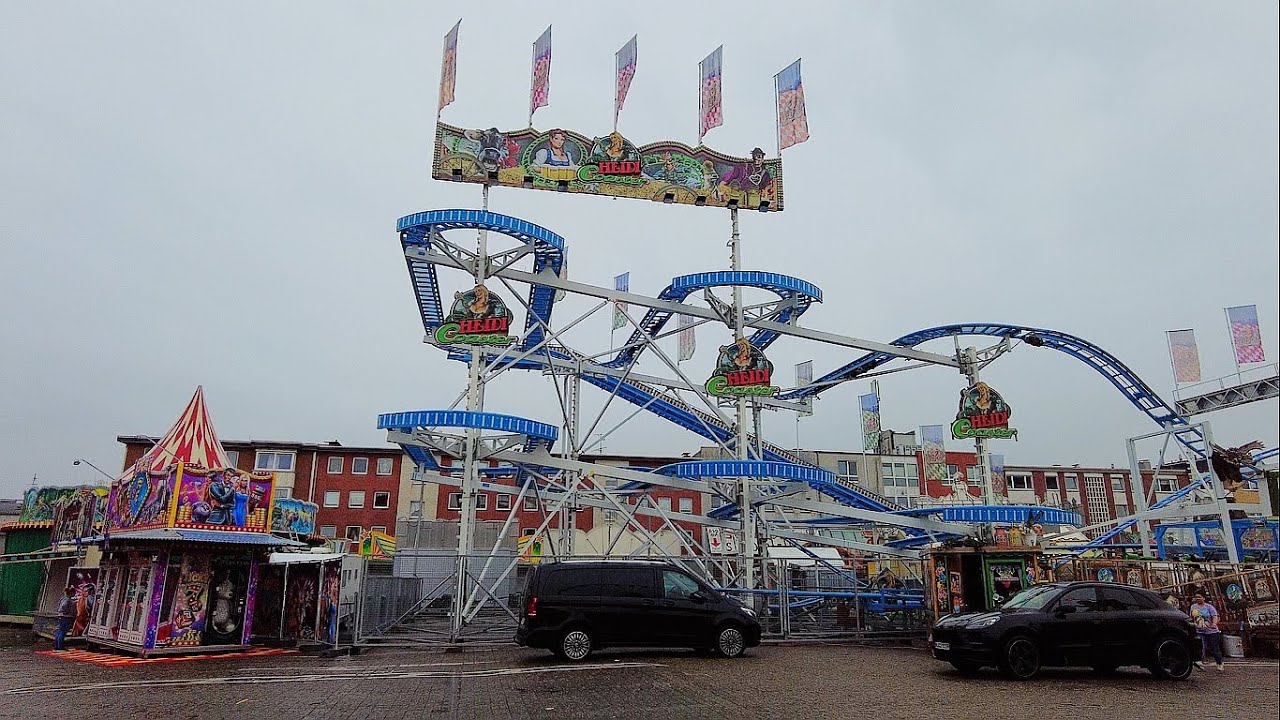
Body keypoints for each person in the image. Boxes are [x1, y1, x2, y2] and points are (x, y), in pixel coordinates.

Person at [1190, 592, 1224, 670]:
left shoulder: (1209, 607)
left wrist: (1214, 624)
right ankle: (1199, 662)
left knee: (1215, 647)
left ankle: (1219, 663)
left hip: (1212, 631)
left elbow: (1214, 616)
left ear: (1204, 598)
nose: (1198, 599)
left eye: (1200, 597)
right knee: (1201, 646)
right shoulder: (1193, 607)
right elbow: (1192, 617)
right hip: (1200, 630)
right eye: (1196, 597)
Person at [53, 586, 76, 651]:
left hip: (61, 617)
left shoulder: (62, 598)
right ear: (71, 593)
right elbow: (64, 606)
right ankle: (60, 646)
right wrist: (67, 612)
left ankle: (56, 645)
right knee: (63, 632)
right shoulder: (68, 600)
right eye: (74, 593)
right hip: (66, 617)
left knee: (60, 631)